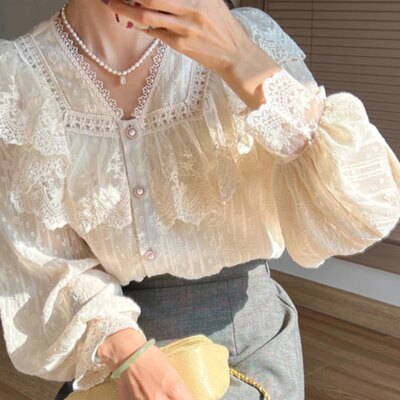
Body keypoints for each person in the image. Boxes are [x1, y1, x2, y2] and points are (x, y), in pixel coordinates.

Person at [0, 0, 399, 399]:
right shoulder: (17, 78)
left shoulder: (248, 36)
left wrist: (240, 58)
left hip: (248, 351)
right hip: (110, 358)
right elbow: (42, 260)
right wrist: (127, 353)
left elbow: (367, 213)